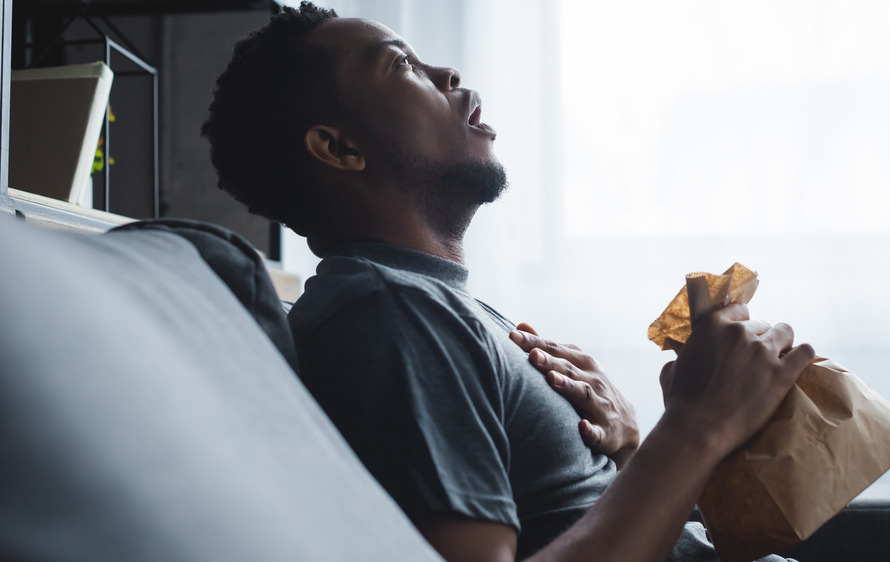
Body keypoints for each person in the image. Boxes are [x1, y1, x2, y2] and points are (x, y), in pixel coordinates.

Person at [201, 4, 815, 561]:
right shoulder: (392, 314)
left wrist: (632, 453)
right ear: (339, 148)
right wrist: (696, 426)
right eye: (402, 67)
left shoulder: (435, 304)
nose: (447, 73)